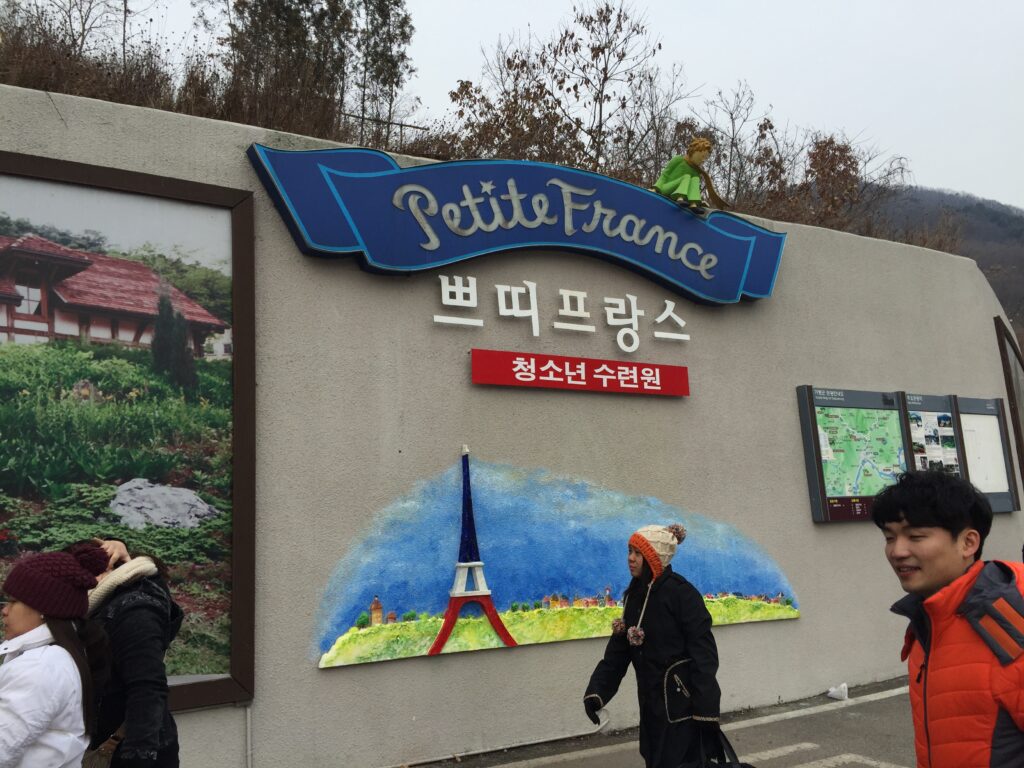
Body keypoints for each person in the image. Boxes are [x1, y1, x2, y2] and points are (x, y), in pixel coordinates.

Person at [873, 470, 1024, 767]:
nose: (897, 551)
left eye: (916, 536)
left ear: (968, 543)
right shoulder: (928, 618)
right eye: (890, 537)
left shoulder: (1007, 625)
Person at [583, 524, 721, 768]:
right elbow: (617, 654)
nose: (630, 558)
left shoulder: (682, 594)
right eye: (629, 551)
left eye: (637, 553)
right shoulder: (633, 597)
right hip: (651, 708)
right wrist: (597, 693)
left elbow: (704, 655)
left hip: (684, 708)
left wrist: (706, 710)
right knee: (655, 759)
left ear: (653, 557)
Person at [67, 539, 184, 768]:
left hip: (128, 751)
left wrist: (138, 757)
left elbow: (148, 687)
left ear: (105, 571)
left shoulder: (135, 609)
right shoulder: (108, 600)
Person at [0, 547, 110, 768]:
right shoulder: (50, 657)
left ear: (43, 609)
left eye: (14, 601)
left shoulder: (39, 667)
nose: (4, 610)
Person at [652, 137, 730, 212]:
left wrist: (698, 201)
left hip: (681, 197)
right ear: (694, 151)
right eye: (702, 156)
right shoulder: (678, 159)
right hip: (665, 189)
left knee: (695, 179)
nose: (703, 160)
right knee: (686, 176)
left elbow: (692, 189)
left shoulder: (695, 171)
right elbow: (665, 174)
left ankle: (694, 204)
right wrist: (655, 188)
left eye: (705, 158)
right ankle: (680, 198)